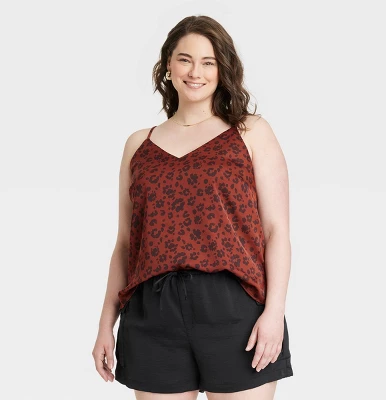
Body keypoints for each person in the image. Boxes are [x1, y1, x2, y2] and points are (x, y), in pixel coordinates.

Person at [92, 15, 293, 400]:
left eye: (208, 62)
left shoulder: (249, 132)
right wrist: (106, 324)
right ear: (168, 64)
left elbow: (276, 231)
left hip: (235, 308)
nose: (195, 72)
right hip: (152, 312)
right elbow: (126, 244)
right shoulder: (139, 145)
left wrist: (274, 312)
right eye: (185, 59)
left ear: (222, 69)